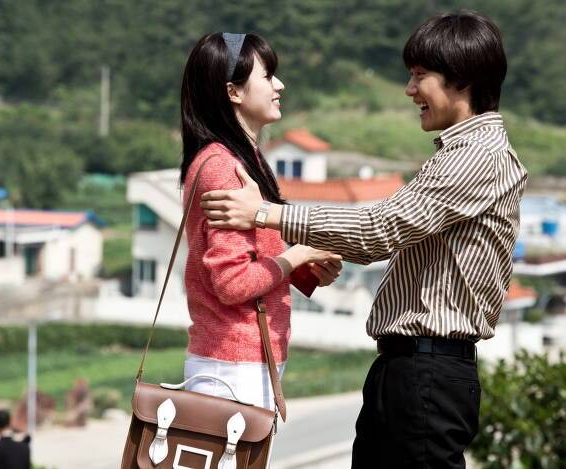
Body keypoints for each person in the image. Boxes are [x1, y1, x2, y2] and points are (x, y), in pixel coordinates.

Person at [200, 11, 527, 468]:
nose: (410, 90)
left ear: (462, 78)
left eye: (420, 76)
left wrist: (266, 213)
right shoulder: (459, 153)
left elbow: (380, 229)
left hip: (427, 372)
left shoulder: (475, 157)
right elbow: (381, 232)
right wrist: (302, 253)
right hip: (411, 369)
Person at [180, 32, 343, 410]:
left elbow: (250, 254)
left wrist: (304, 270)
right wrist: (299, 254)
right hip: (233, 368)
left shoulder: (242, 158)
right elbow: (232, 283)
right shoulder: (224, 168)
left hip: (239, 364)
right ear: (234, 92)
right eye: (267, 76)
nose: (279, 85)